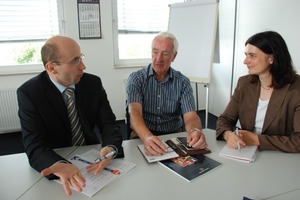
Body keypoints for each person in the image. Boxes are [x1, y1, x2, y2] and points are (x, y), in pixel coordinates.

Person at [17, 35, 124, 196]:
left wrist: (110, 147)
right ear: (52, 68)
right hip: (56, 158)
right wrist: (58, 163)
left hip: (91, 156)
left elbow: (108, 123)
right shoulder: (30, 93)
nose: (83, 66)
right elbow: (33, 143)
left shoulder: (92, 83)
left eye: (81, 58)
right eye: (75, 61)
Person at [216, 31, 300, 153]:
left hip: (281, 156)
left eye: (252, 56)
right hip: (246, 152)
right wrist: (227, 134)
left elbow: (298, 141)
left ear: (271, 58)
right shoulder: (244, 83)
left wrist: (257, 140)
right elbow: (224, 119)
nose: (245, 61)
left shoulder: (296, 89)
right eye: (246, 55)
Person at [126, 32, 207, 156]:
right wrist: (147, 137)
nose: (158, 59)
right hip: (142, 134)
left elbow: (191, 116)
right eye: (155, 52)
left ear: (174, 56)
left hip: (173, 134)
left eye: (165, 54)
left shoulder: (182, 82)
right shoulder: (136, 79)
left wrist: (194, 131)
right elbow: (134, 112)